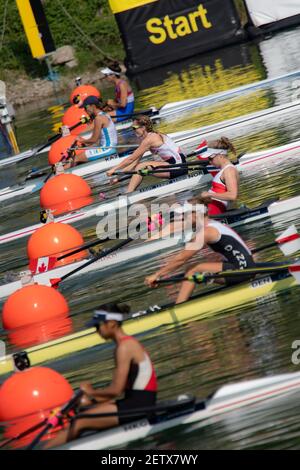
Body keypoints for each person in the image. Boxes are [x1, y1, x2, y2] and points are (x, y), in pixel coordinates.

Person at [45, 303, 157, 448]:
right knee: (85, 408)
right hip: (134, 402)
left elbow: (116, 390)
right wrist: (89, 400)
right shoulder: (124, 345)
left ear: (111, 324)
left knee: (80, 421)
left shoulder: (125, 347)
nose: (96, 330)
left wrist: (90, 392)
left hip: (139, 407)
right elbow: (117, 390)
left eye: (98, 326)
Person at [145, 200, 255, 304]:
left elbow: (182, 258)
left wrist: (157, 274)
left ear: (195, 214)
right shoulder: (213, 224)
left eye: (185, 214)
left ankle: (180, 307)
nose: (183, 218)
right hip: (243, 266)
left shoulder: (206, 232)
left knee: (193, 269)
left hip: (242, 270)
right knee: (194, 271)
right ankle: (191, 294)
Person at [106, 115, 187, 193]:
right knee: (142, 169)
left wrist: (114, 169)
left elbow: (131, 158)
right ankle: (130, 193)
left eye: (134, 128)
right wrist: (118, 177)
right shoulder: (150, 137)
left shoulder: (149, 139)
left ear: (143, 127)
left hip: (177, 166)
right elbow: (134, 162)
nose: (133, 130)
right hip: (177, 166)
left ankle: (129, 194)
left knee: (141, 167)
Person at [66, 96, 118, 167]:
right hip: (108, 147)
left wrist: (81, 140)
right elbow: (98, 138)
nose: (85, 110)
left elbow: (93, 140)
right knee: (81, 156)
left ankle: (62, 175)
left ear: (93, 106)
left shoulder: (98, 119)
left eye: (86, 108)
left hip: (107, 149)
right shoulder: (104, 114)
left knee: (75, 158)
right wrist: (84, 145)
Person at [199, 137, 239, 216]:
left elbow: (232, 195)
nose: (210, 162)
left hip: (214, 209)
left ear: (220, 155)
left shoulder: (229, 170)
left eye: (210, 158)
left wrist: (210, 194)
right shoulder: (224, 170)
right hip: (210, 207)